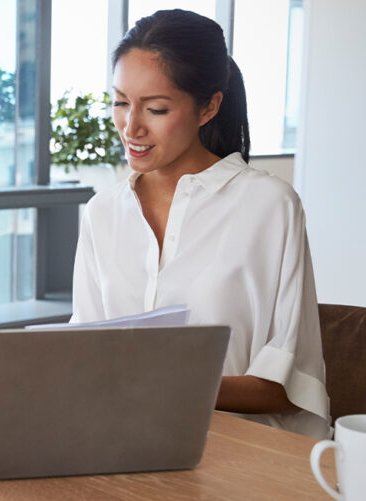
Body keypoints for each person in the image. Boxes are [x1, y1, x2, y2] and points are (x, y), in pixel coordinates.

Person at [71, 10, 329, 438]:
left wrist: (163, 387)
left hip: (243, 453)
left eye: (155, 108)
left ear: (209, 106)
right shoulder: (103, 212)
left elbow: (290, 385)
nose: (130, 126)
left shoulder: (268, 206)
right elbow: (83, 351)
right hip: (120, 440)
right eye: (120, 102)